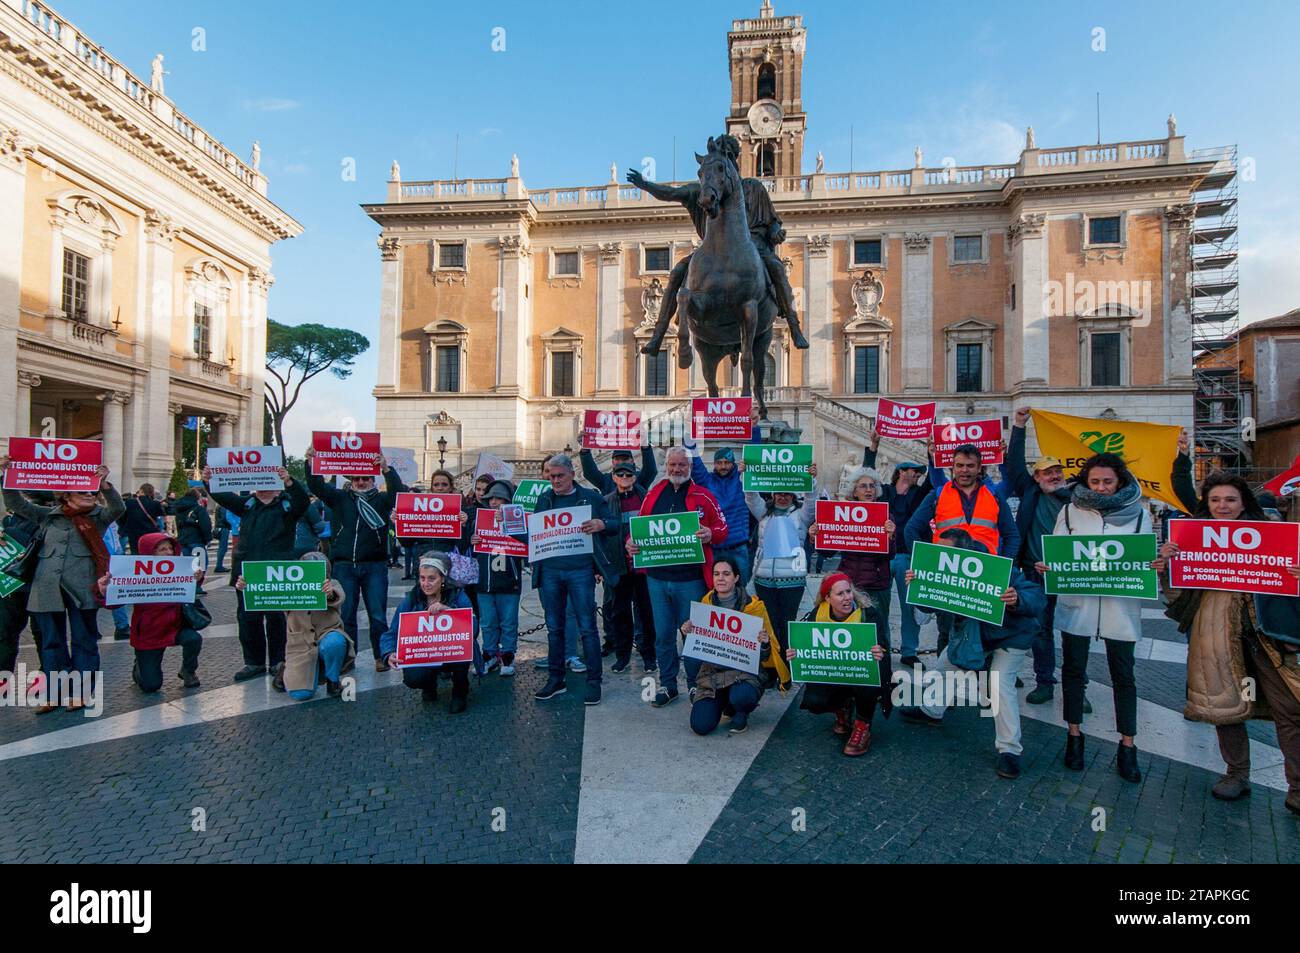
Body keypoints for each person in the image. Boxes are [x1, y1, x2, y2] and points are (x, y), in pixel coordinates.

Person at [1158, 474, 1300, 812]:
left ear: (1243, 503)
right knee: (1225, 706)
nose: (1223, 506)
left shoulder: (1273, 536)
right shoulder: (1190, 538)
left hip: (1269, 636)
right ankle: (1236, 775)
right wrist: (1168, 568)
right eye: (1216, 500)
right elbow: (1178, 598)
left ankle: (1297, 787)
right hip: (1215, 632)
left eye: (1230, 500)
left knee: (1291, 709)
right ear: (1207, 504)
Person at [1035, 452, 1158, 783]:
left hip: (1120, 606)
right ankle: (1074, 736)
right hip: (1079, 602)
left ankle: (1128, 747)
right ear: (1085, 482)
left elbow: (1145, 556)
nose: (1102, 488)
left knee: (1124, 676)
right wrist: (1048, 566)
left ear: (1120, 481)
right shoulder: (1069, 511)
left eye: (1108, 482)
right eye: (1095, 482)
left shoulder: (1139, 514)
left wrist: (1156, 564)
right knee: (1073, 671)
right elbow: (1059, 553)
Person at [899, 529, 1047, 779]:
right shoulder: (938, 567)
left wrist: (1017, 598)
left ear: (963, 551)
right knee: (945, 667)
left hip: (1011, 636)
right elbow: (929, 606)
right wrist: (918, 586)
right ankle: (931, 710)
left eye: (945, 550)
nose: (939, 554)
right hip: (972, 635)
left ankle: (1009, 750)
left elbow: (1037, 598)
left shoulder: (997, 568)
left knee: (1000, 684)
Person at [0, 458, 122, 712]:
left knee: (83, 640)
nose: (89, 494)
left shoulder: (99, 517)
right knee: (51, 643)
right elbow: (15, 503)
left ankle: (81, 692)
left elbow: (118, 508)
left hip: (82, 589)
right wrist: (7, 475)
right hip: (46, 588)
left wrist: (105, 484)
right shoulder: (48, 516)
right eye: (83, 491)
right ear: (66, 495)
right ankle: (54, 693)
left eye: (92, 491)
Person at [627, 446, 729, 707]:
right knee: (662, 635)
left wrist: (710, 534)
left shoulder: (703, 495)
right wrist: (631, 542)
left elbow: (722, 527)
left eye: (681, 465)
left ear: (690, 467)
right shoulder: (653, 493)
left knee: (693, 636)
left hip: (691, 579)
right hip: (657, 578)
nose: (676, 469)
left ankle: (696, 685)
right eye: (672, 465)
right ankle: (668, 684)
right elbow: (640, 526)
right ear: (667, 466)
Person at [521, 454, 622, 706]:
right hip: (551, 572)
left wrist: (601, 523)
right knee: (554, 628)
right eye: (550, 475)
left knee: (587, 628)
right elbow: (535, 535)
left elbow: (615, 524)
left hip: (580, 571)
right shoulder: (544, 499)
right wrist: (509, 526)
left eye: (559, 476)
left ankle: (594, 681)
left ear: (571, 474)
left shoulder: (591, 497)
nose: (554, 480)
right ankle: (556, 680)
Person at [203, 463, 309, 683]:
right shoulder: (247, 504)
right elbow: (223, 497)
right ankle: (254, 662)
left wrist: (289, 481)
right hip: (248, 572)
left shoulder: (287, 506)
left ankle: (279, 659)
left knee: (277, 618)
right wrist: (209, 480)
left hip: (277, 572)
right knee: (248, 617)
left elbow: (303, 501)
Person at [306, 450, 402, 672]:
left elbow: (398, 493)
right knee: (346, 613)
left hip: (374, 564)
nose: (361, 482)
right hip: (345, 564)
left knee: (377, 613)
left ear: (372, 479)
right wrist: (310, 462)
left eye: (365, 478)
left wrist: (386, 469)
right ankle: (349, 657)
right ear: (351, 481)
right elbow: (317, 487)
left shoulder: (382, 500)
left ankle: (381, 656)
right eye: (357, 478)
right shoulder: (340, 498)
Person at [788, 573, 891, 757]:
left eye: (848, 592)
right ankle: (842, 707)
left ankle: (862, 725)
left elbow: (884, 648)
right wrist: (796, 654)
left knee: (872, 672)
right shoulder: (816, 616)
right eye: (840, 594)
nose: (847, 598)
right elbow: (806, 650)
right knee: (814, 702)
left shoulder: (869, 613)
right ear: (827, 598)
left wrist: (879, 651)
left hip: (861, 677)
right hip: (834, 675)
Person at [688, 556, 788, 735]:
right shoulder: (705, 604)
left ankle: (741, 711)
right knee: (700, 726)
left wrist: (764, 644)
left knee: (742, 696)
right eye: (716, 574)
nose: (720, 578)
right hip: (713, 674)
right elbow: (698, 647)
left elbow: (766, 656)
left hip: (743, 673)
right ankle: (724, 703)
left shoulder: (754, 607)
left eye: (726, 574)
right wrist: (687, 631)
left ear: (736, 578)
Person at [98, 532, 204, 693]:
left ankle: (188, 671)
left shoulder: (181, 568)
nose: (168, 552)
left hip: (174, 626)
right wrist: (106, 592)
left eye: (170, 548)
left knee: (194, 639)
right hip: (148, 633)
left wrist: (197, 579)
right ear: (150, 552)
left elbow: (189, 589)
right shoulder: (134, 572)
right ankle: (139, 667)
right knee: (150, 686)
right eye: (162, 549)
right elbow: (115, 603)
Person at [862, 430, 930, 665]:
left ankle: (910, 651)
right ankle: (883, 648)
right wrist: (873, 447)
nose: (918, 475)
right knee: (879, 607)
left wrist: (932, 452)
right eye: (915, 471)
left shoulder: (920, 494)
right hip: (881, 556)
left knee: (909, 606)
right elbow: (866, 475)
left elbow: (933, 479)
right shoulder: (884, 492)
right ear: (901, 471)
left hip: (908, 555)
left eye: (920, 473)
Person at [380, 553, 477, 714]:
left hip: (451, 652)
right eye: (422, 578)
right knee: (413, 678)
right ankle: (428, 683)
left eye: (431, 578)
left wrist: (450, 612)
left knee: (463, 653)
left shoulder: (458, 596)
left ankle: (460, 690)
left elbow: (473, 628)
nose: (426, 584)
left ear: (443, 578)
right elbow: (392, 632)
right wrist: (388, 653)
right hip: (424, 653)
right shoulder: (412, 599)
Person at [812, 467, 897, 646]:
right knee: (849, 629)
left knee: (879, 631)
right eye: (863, 486)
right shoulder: (842, 514)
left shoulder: (886, 517)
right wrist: (815, 536)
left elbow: (890, 555)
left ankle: (883, 668)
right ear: (854, 492)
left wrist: (891, 536)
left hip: (876, 585)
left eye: (872, 486)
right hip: (849, 585)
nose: (868, 490)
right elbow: (827, 552)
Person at [745, 463, 819, 669]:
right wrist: (747, 476)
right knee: (769, 623)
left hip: (792, 580)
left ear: (793, 495)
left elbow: (812, 502)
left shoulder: (801, 515)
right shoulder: (763, 513)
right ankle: (771, 665)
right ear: (773, 494)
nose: (783, 497)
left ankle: (786, 665)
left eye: (787, 493)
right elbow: (751, 498)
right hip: (764, 578)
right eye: (779, 493)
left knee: (787, 623)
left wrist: (811, 480)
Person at [260, 550, 352, 700]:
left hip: (326, 635)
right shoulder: (290, 587)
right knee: (301, 695)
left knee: (334, 643)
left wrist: (329, 593)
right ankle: (285, 669)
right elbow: (267, 592)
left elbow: (337, 596)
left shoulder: (332, 584)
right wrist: (247, 586)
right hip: (301, 644)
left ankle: (333, 680)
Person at [683, 420, 754, 589]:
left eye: (727, 462)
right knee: (714, 590)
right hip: (714, 547)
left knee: (741, 591)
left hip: (738, 547)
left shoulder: (742, 480)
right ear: (714, 464)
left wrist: (755, 428)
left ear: (733, 463)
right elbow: (694, 458)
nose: (723, 466)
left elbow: (755, 455)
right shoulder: (706, 480)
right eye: (719, 462)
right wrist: (688, 430)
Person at [602, 460, 656, 673]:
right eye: (620, 475)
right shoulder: (605, 502)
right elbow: (602, 536)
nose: (625, 478)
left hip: (643, 568)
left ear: (635, 477)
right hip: (619, 566)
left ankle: (649, 655)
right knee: (620, 614)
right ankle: (622, 655)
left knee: (646, 613)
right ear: (614, 478)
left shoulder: (647, 499)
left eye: (629, 475)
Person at [469, 480, 524, 676]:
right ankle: (489, 653)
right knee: (488, 621)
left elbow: (526, 545)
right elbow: (469, 548)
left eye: (499, 498)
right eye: (491, 498)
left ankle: (508, 654)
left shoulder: (519, 519)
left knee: (509, 622)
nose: (494, 502)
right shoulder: (478, 519)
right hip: (485, 581)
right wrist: (471, 540)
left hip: (509, 581)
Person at [579, 444, 658, 496]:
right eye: (617, 459)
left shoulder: (639, 477)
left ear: (632, 461)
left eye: (624, 459)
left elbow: (651, 471)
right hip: (614, 520)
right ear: (612, 462)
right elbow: (590, 472)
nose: (621, 463)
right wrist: (585, 451)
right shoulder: (606, 481)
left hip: (637, 520)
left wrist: (645, 446)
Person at [168, 487, 212, 573]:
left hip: (183, 540)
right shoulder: (198, 509)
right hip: (197, 540)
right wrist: (208, 539)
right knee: (201, 567)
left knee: (187, 569)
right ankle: (197, 585)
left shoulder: (179, 508)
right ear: (197, 497)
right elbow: (205, 525)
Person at [120, 483, 165, 555]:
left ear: (141, 491)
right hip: (150, 531)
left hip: (134, 532)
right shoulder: (155, 503)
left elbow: (123, 517)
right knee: (149, 552)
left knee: (135, 552)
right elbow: (161, 515)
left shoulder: (130, 502)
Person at [213, 504, 233, 573]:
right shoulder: (223, 506)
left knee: (222, 548)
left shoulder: (219, 506)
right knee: (223, 548)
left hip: (220, 527)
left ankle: (219, 565)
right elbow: (225, 518)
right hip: (223, 528)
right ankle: (219, 566)